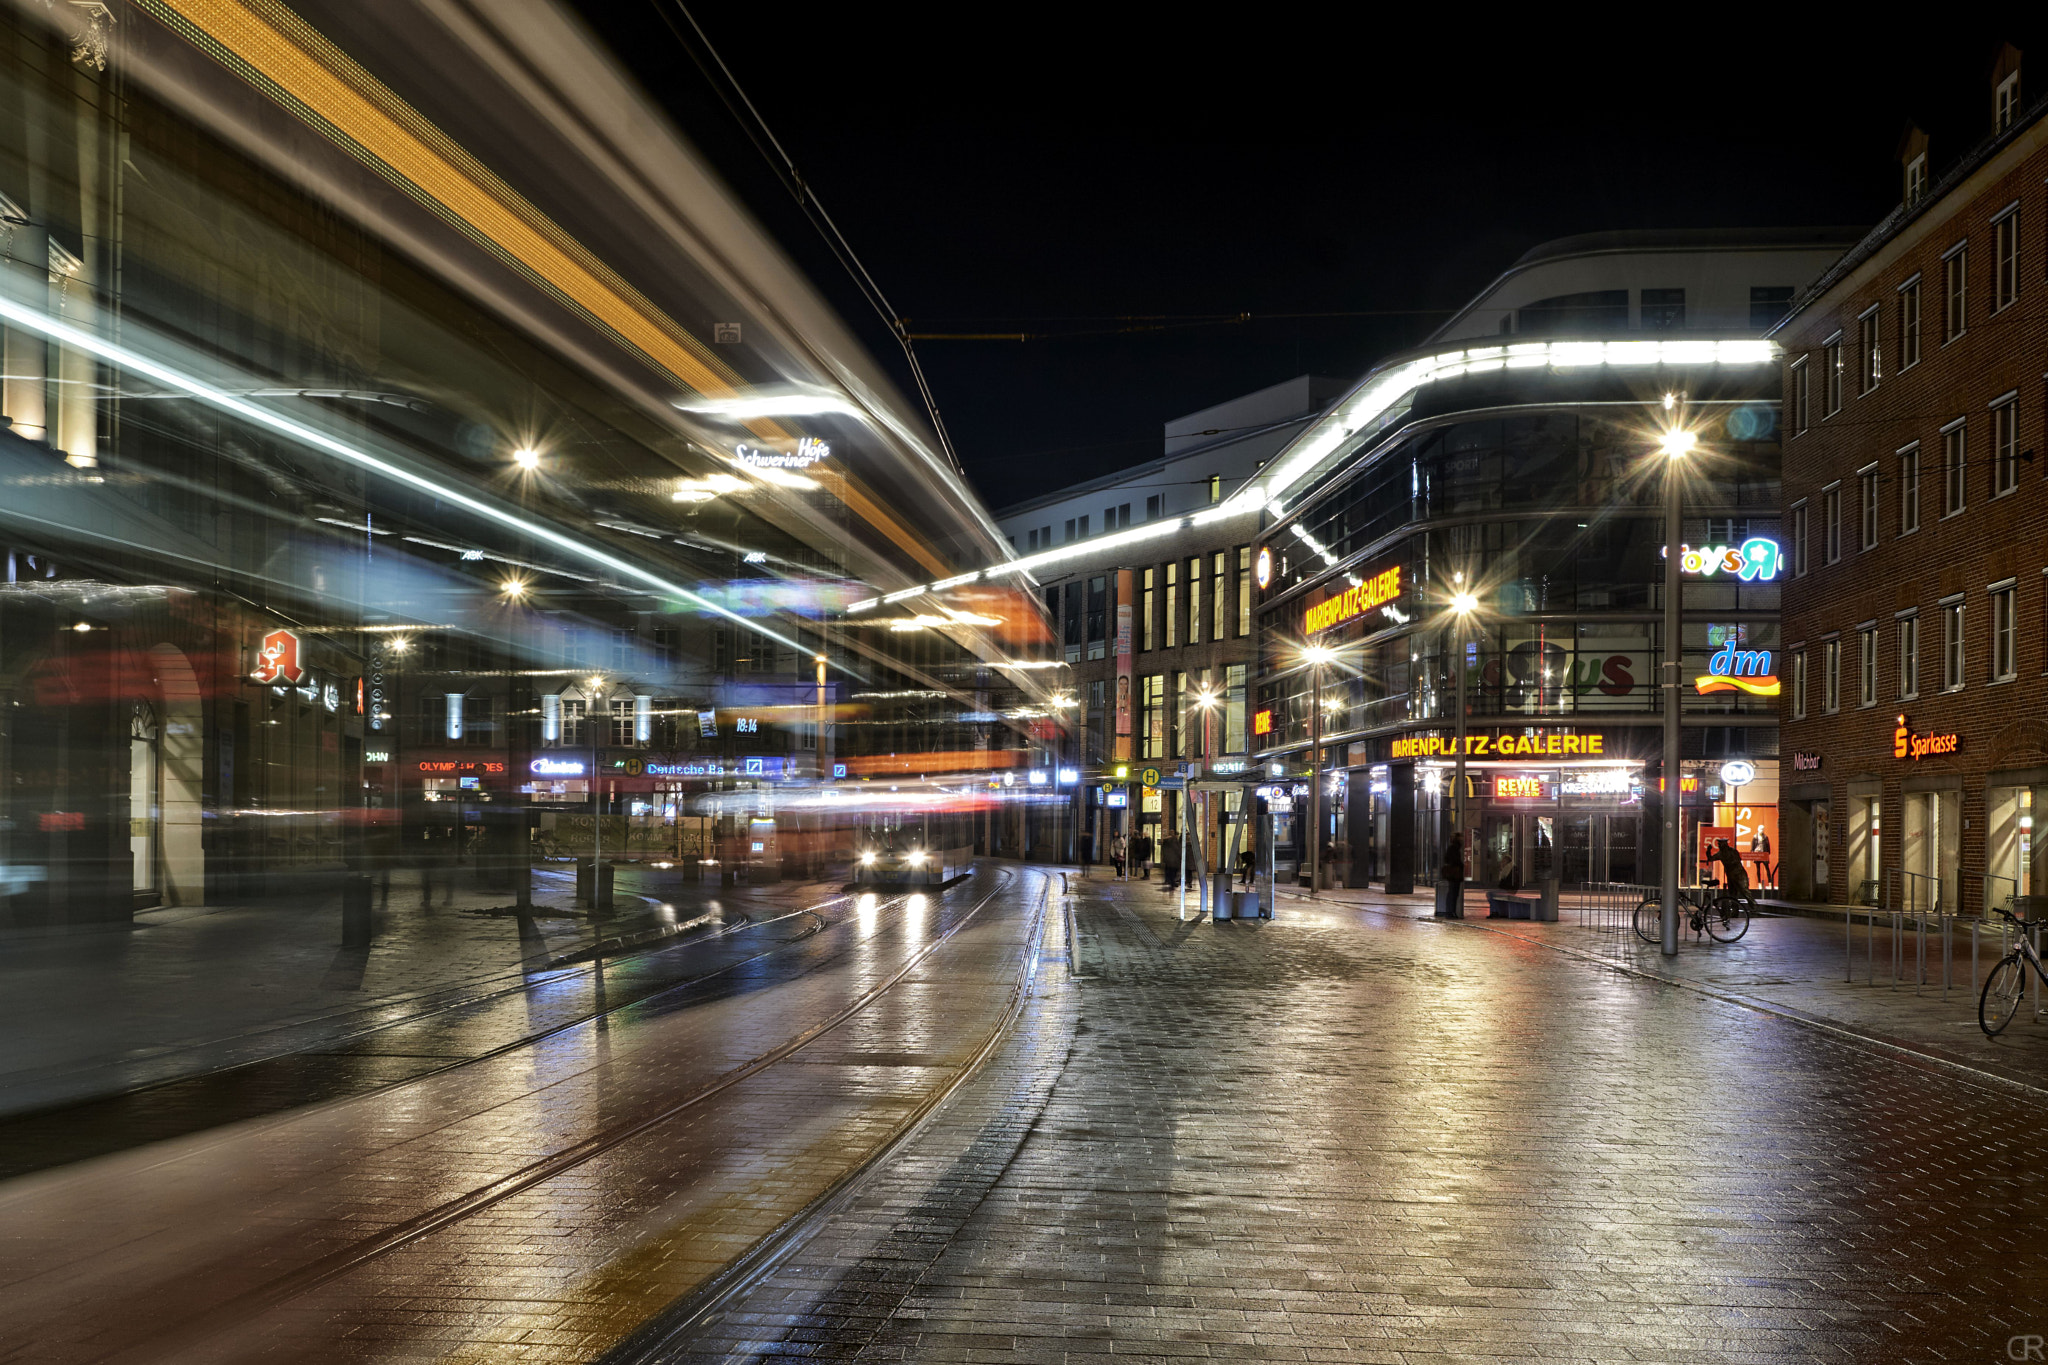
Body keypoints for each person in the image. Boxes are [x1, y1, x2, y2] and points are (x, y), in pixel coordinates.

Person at [1713, 837, 1752, 912]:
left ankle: (1753, 906)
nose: (1718, 846)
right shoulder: (1720, 853)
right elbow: (1711, 858)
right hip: (1731, 876)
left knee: (1744, 891)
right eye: (1718, 844)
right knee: (1732, 894)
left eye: (1720, 844)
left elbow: (1737, 861)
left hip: (1739, 874)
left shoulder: (1733, 851)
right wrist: (1708, 851)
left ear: (1725, 844)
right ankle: (1735, 910)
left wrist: (1728, 863)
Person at [1439, 834, 1465, 917]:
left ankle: (1450, 912)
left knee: (1452, 893)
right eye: (1461, 838)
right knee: (1453, 893)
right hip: (1455, 874)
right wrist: (1460, 865)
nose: (1462, 839)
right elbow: (1454, 860)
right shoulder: (1455, 848)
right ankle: (1451, 912)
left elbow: (1446, 859)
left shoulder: (1453, 848)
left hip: (1453, 875)